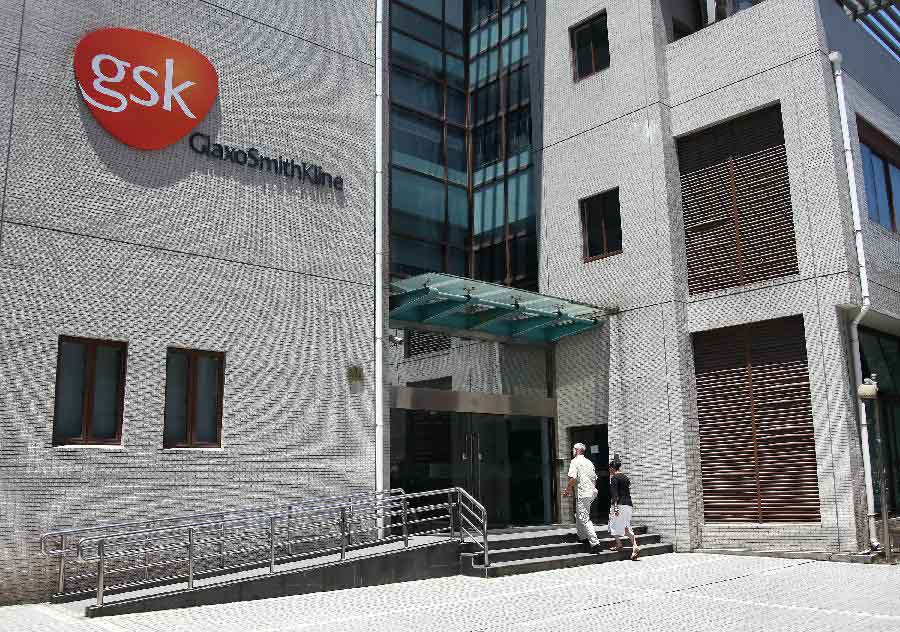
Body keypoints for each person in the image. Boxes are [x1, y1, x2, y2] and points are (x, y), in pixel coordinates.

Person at [563, 443, 600, 553]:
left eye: (573, 449)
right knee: (579, 515)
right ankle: (582, 537)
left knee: (584, 517)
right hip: (591, 492)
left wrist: (567, 489)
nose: (572, 451)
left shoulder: (575, 461)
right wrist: (593, 489)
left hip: (583, 493)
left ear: (577, 450)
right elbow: (594, 478)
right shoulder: (589, 462)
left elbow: (573, 478)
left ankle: (595, 543)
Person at [608, 459, 639, 560]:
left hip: (619, 505)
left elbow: (615, 494)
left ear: (612, 468)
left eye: (610, 468)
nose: (609, 470)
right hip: (628, 504)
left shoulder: (614, 478)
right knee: (626, 526)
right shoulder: (625, 477)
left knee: (612, 524)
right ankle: (634, 545)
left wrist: (616, 507)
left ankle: (619, 544)